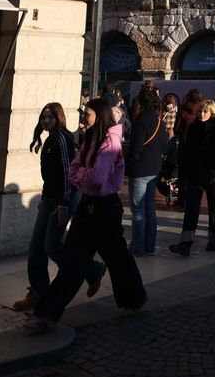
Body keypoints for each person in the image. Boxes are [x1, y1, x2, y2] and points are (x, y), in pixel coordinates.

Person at [25, 97, 146, 332]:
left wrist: (82, 178)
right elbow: (74, 168)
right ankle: (47, 315)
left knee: (117, 258)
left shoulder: (110, 142)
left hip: (105, 208)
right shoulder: (90, 139)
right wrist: (82, 177)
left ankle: (134, 298)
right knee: (71, 261)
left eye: (87, 114)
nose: (83, 118)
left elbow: (97, 179)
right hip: (87, 206)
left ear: (98, 116)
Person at [14, 102, 102, 311]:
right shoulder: (51, 139)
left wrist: (62, 203)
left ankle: (90, 269)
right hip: (50, 198)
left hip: (62, 199)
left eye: (50, 117)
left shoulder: (62, 138)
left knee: (51, 246)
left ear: (59, 119)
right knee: (37, 246)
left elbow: (66, 173)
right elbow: (52, 176)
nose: (46, 121)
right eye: (44, 117)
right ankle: (38, 291)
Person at [168, 93, 215, 256]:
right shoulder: (195, 127)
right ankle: (185, 243)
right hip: (196, 174)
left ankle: (213, 239)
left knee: (214, 208)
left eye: (205, 111)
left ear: (212, 112)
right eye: (201, 111)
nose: (202, 114)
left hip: (213, 175)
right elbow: (188, 150)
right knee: (192, 209)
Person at [124, 87, 168, 255]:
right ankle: (150, 246)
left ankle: (137, 246)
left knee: (138, 211)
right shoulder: (159, 122)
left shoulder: (140, 121)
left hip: (140, 170)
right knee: (150, 210)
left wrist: (129, 162)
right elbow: (165, 145)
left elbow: (135, 148)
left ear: (141, 103)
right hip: (154, 169)